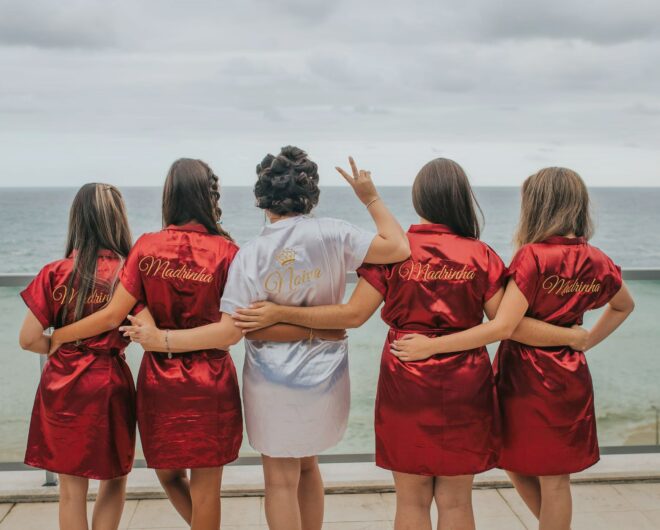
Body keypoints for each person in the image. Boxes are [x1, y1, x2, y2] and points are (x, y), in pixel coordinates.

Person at [229, 158, 589, 530]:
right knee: (456, 502)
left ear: (419, 200)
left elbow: (352, 315)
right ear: (462, 199)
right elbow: (507, 325)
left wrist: (279, 314)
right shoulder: (481, 255)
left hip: (405, 378)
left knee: (411, 501)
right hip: (467, 382)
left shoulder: (396, 254)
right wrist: (569, 332)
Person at [120, 146, 410, 530]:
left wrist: (163, 340)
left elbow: (238, 328)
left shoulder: (252, 253)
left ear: (262, 198)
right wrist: (370, 197)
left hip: (271, 377)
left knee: (279, 479)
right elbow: (399, 247)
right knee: (308, 465)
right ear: (310, 195)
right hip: (325, 374)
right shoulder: (335, 232)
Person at [48, 159, 328, 530]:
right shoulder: (227, 252)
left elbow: (118, 311)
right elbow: (232, 331)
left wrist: (61, 337)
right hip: (210, 381)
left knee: (168, 476)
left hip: (160, 382)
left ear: (169, 196)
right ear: (209, 197)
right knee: (207, 489)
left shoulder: (146, 246)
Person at [388, 167, 634, 530]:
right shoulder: (597, 259)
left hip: (527, 376)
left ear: (537, 206)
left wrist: (432, 346)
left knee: (531, 471)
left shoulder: (532, 257)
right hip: (570, 373)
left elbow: (505, 325)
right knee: (546, 475)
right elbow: (624, 305)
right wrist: (581, 339)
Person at [19, 183, 141, 530]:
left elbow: (28, 340)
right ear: (118, 220)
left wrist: (58, 344)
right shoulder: (127, 274)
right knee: (114, 479)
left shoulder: (55, 272)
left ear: (78, 220)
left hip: (61, 384)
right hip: (107, 382)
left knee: (71, 490)